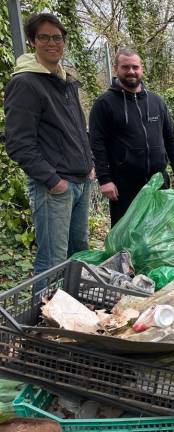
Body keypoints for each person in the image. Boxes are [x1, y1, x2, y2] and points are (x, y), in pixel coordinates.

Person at [4, 13, 94, 276]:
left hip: (81, 181)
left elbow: (78, 128)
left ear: (64, 42)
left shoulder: (66, 81)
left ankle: (73, 302)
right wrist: (53, 181)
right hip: (54, 188)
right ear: (33, 41)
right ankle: (43, 305)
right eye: (44, 37)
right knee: (52, 262)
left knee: (78, 254)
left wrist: (89, 163)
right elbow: (18, 143)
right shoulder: (25, 83)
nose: (52, 43)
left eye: (57, 37)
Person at [89, 48, 174, 226]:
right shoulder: (104, 103)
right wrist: (105, 179)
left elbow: (170, 138)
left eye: (135, 67)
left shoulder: (156, 102)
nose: (131, 71)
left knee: (159, 233)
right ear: (116, 69)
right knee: (127, 234)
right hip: (123, 185)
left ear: (142, 69)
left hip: (158, 183)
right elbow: (97, 144)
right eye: (125, 67)